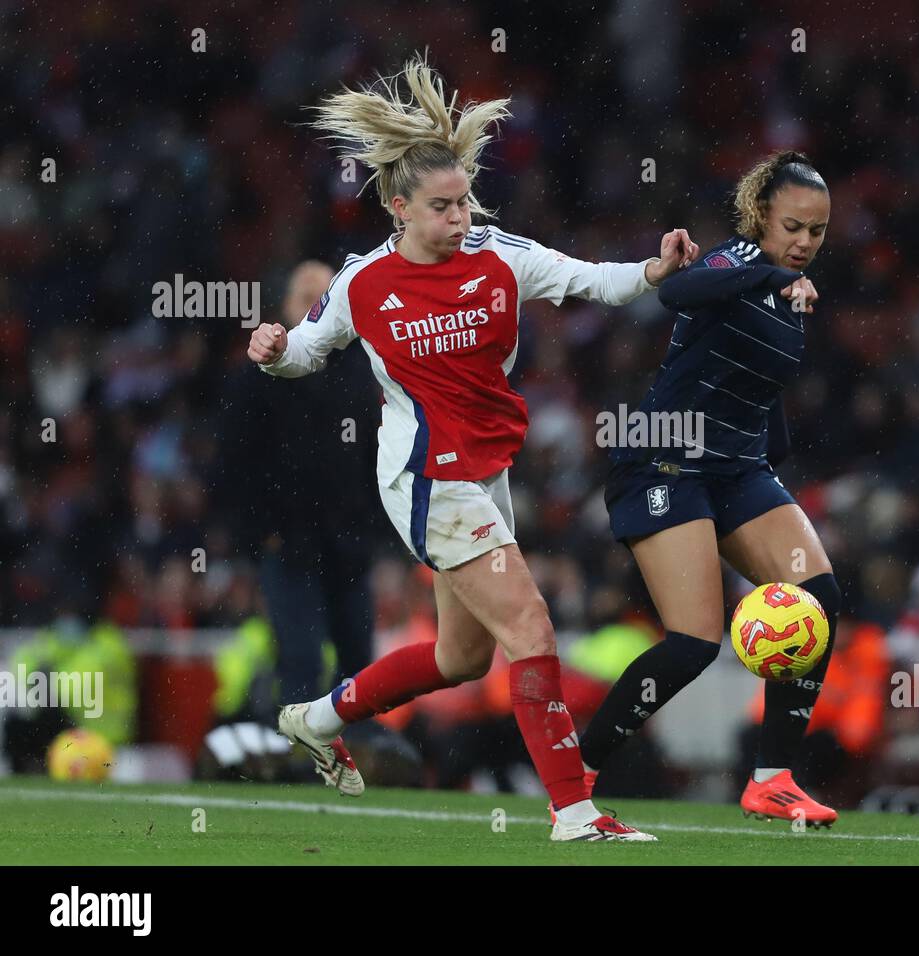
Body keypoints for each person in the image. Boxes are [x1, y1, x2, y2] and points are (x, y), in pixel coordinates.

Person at [247, 54, 699, 842]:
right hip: (426, 479)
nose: (460, 220)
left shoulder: (497, 253)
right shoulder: (362, 283)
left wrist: (653, 271)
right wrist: (274, 346)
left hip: (487, 472)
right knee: (532, 628)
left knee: (462, 660)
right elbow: (306, 353)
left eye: (463, 203)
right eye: (442, 208)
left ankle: (316, 718)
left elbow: (592, 280)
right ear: (398, 208)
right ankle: (574, 813)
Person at [576, 151, 844, 826]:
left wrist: (765, 473)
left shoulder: (790, 299)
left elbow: (764, 402)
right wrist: (770, 270)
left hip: (736, 468)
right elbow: (677, 293)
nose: (805, 242)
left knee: (819, 596)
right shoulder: (734, 259)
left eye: (816, 230)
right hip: (665, 461)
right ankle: (575, 770)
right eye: (793, 226)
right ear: (761, 218)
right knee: (695, 642)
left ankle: (772, 778)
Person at [217, 260, 380, 709]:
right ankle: (298, 763)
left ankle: (358, 755)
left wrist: (374, 531)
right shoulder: (253, 377)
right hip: (288, 543)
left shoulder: (362, 371)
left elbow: (376, 458)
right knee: (300, 661)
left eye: (323, 298)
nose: (314, 307)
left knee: (359, 665)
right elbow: (232, 463)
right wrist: (258, 534)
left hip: (347, 542)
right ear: (285, 305)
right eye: (305, 298)